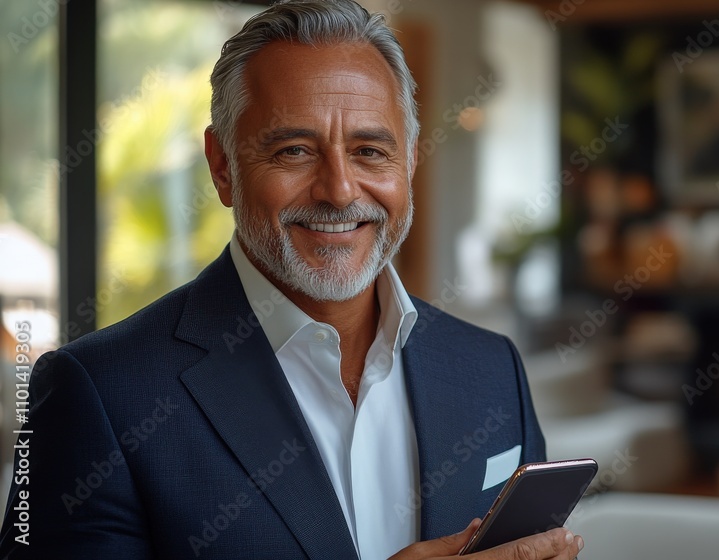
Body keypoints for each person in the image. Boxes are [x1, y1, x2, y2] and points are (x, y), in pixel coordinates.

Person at [0, 1, 584, 558]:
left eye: (370, 151)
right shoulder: (95, 393)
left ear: (408, 161)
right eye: (295, 150)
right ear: (223, 165)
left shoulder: (491, 370)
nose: (339, 190)